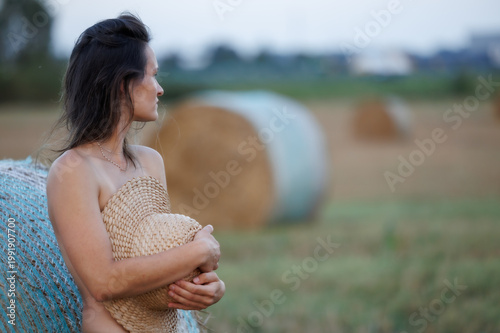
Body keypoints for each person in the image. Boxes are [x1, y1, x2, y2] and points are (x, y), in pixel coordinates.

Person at [45, 13, 225, 332]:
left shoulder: (151, 162)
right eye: (153, 75)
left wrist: (209, 286)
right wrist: (199, 249)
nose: (160, 89)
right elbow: (104, 281)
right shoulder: (73, 172)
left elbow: (159, 258)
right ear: (122, 84)